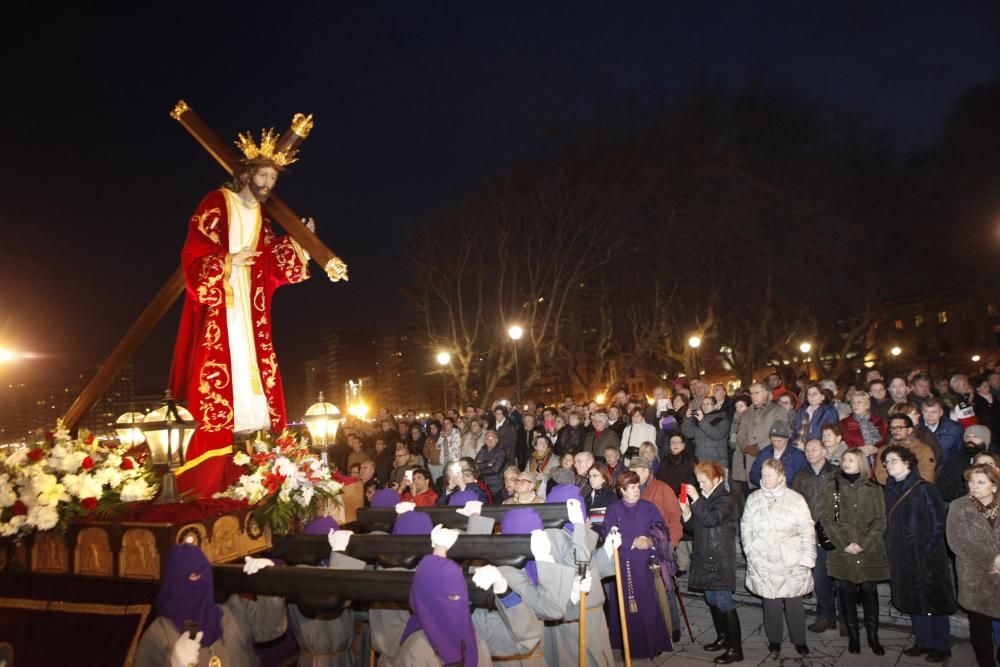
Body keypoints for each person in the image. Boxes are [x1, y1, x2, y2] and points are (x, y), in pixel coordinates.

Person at [168, 125, 320, 497]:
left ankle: (256, 452)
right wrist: (227, 260)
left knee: (254, 369)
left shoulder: (262, 217)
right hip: (223, 301)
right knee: (222, 369)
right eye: (263, 175)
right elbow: (194, 249)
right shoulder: (216, 201)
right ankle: (213, 463)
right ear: (248, 174)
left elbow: (269, 261)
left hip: (250, 309)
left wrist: (299, 244)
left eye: (272, 177)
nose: (267, 183)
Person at [135, 543, 287, 665]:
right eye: (192, 576)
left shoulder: (234, 610)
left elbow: (270, 629)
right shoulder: (160, 633)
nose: (200, 582)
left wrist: (270, 585)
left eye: (203, 574)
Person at [881, 445, 956, 663]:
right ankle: (923, 641)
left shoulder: (924, 488)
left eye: (893, 460)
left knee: (934, 600)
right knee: (914, 598)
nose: (888, 465)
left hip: (926, 555)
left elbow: (938, 523)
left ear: (907, 463)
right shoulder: (890, 487)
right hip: (901, 553)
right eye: (886, 461)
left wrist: (925, 549)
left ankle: (941, 645)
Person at [741, 458, 816, 657]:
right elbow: (745, 527)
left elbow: (808, 529)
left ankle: (799, 640)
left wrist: (808, 557)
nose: (765, 479)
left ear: (781, 475)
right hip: (763, 558)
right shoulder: (753, 498)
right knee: (770, 603)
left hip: (789, 558)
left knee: (794, 603)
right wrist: (749, 548)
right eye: (763, 475)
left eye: (770, 475)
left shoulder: (796, 499)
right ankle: (774, 640)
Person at [818, 448, 888, 655]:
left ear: (861, 463)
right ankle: (854, 636)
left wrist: (864, 543)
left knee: (869, 591)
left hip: (869, 549)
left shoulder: (873, 488)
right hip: (843, 549)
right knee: (846, 592)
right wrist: (845, 543)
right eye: (845, 459)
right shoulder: (833, 486)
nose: (847, 463)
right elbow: (827, 518)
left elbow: (880, 520)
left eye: (852, 460)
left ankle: (873, 637)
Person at [601, 470, 674, 659]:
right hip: (623, 563)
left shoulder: (649, 507)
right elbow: (608, 534)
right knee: (625, 605)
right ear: (622, 490)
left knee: (648, 603)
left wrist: (650, 540)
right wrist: (631, 541)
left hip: (644, 565)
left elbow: (662, 530)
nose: (636, 490)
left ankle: (652, 644)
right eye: (631, 487)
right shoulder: (613, 509)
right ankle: (629, 645)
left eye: (637, 486)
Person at [679, 461, 742, 664]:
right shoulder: (706, 496)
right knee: (712, 600)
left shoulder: (726, 499)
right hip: (706, 556)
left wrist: (696, 500)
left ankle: (735, 649)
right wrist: (687, 512)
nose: (701, 486)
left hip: (720, 558)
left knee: (724, 603)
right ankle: (723, 638)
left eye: (704, 482)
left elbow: (710, 519)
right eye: (699, 482)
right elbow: (694, 527)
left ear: (717, 479)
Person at [396, 544, 492, 664]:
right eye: (450, 597)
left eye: (459, 596)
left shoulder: (476, 641)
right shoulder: (415, 652)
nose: (456, 603)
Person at [946, 464, 1000, 667]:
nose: (974, 487)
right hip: (974, 576)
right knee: (980, 626)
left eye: (980, 482)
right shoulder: (959, 506)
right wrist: (992, 560)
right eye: (971, 482)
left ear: (994, 486)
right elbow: (956, 541)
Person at [791, 439, 840, 633]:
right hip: (812, 533)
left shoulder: (836, 473)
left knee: (840, 579)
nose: (810, 453)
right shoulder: (801, 475)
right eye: (808, 450)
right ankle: (825, 616)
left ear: (824, 451)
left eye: (814, 449)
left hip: (835, 532)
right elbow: (794, 502)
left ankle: (845, 619)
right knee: (820, 579)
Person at [733, 383, 789, 513]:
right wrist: (745, 447)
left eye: (757, 392)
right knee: (752, 498)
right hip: (747, 459)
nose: (753, 396)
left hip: (768, 457)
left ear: (766, 393)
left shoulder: (777, 410)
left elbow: (779, 433)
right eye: (751, 393)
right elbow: (740, 432)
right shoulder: (747, 412)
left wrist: (760, 448)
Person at [872, 414, 937, 484]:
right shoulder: (884, 450)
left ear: (910, 430)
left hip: (915, 492)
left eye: (899, 427)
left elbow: (927, 476)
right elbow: (880, 475)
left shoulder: (923, 450)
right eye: (892, 428)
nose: (895, 431)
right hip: (891, 491)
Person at [940, 424, 992, 502]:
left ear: (985, 440)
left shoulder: (993, 462)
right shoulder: (954, 461)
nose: (970, 440)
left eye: (975, 437)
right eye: (967, 437)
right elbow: (942, 488)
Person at [748, 421, 808, 488]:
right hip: (767, 491)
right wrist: (766, 483)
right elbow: (753, 474)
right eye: (773, 440)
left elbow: (803, 480)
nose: (776, 444)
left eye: (779, 441)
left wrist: (781, 487)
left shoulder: (798, 456)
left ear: (787, 439)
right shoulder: (765, 453)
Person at [682, 395, 731, 469]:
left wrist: (702, 421)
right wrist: (687, 419)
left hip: (717, 461)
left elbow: (716, 435)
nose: (705, 406)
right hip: (700, 460)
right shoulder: (699, 419)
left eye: (708, 404)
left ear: (714, 406)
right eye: (703, 404)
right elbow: (688, 434)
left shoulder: (722, 419)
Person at [921, 397, 964, 465]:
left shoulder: (954, 429)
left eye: (934, 412)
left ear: (941, 413)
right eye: (926, 412)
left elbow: (959, 453)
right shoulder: (915, 428)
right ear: (922, 412)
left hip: (945, 469)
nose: (929, 416)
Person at [475, 430, 507, 498]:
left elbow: (495, 469)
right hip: (483, 485)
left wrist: (481, 468)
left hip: (497, 486)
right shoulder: (482, 450)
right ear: (485, 441)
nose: (490, 440)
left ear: (497, 440)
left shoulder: (501, 451)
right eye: (487, 438)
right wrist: (488, 464)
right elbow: (476, 466)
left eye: (492, 438)